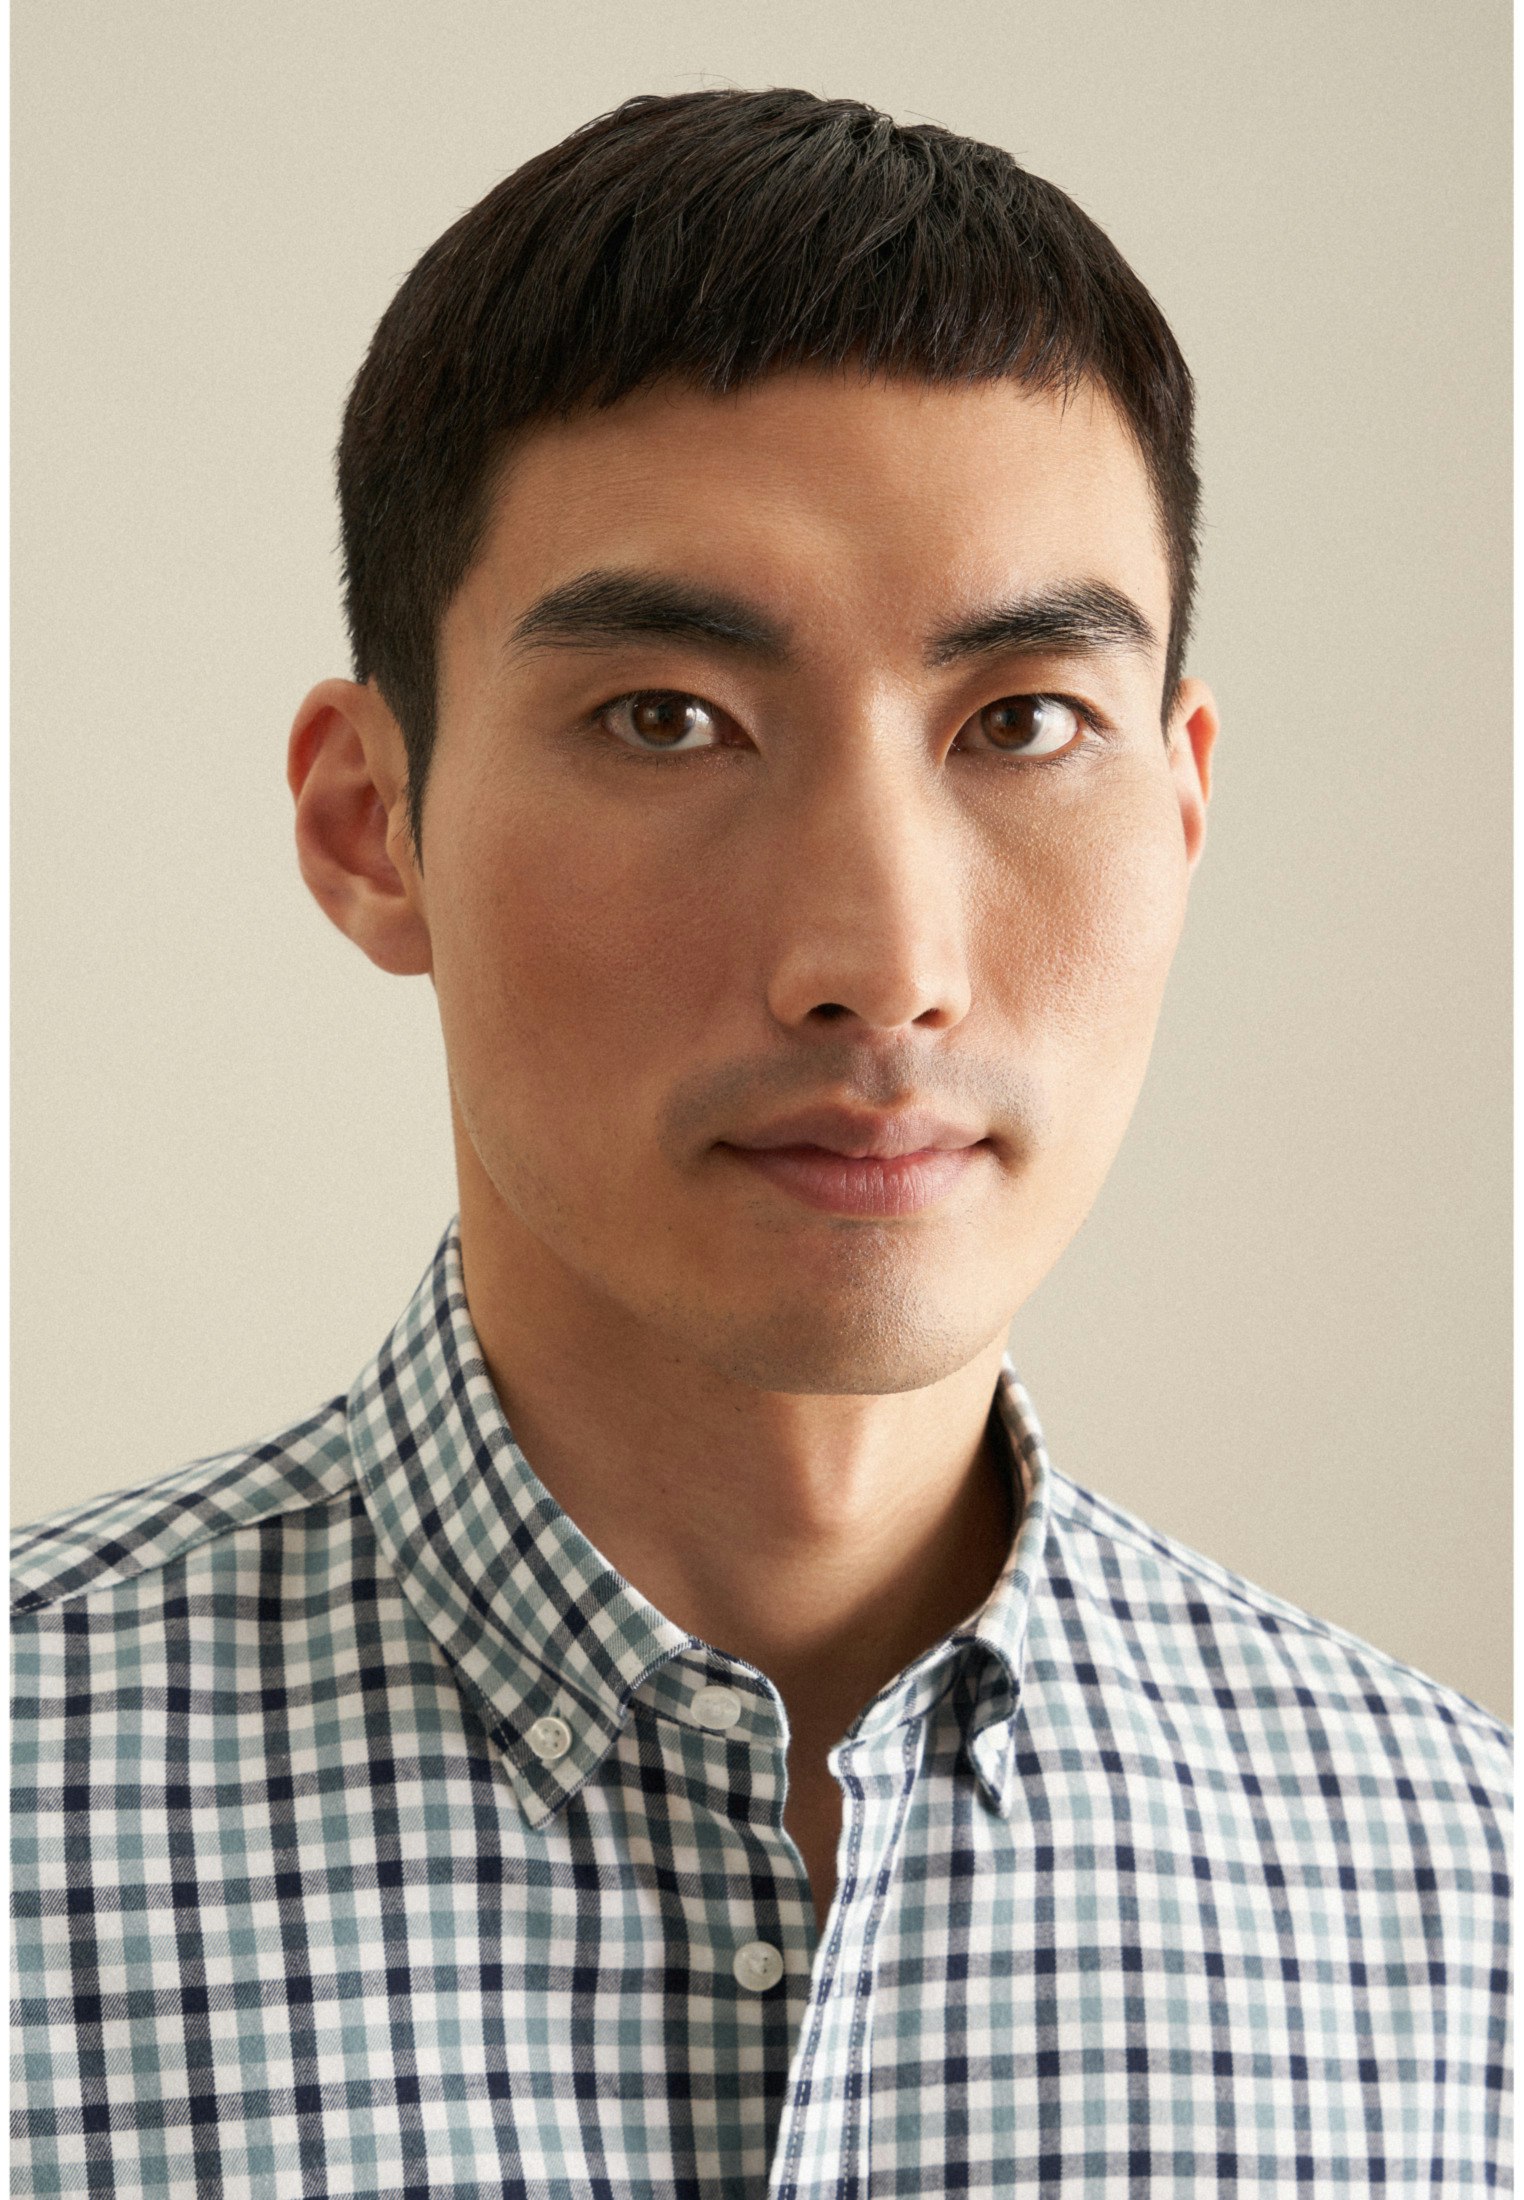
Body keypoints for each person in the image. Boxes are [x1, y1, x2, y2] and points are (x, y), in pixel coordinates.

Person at [11, 87, 1509, 2199]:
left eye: (1023, 723)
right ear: (372, 825)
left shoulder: (1465, 1910)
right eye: (667, 719)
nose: (878, 964)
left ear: (1183, 812)